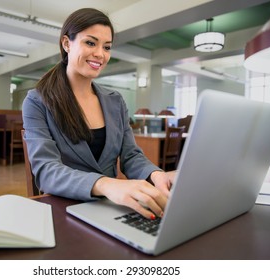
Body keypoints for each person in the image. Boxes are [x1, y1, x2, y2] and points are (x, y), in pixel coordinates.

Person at [22, 8, 176, 220]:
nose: (100, 54)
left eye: (107, 47)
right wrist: (105, 184)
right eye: (90, 43)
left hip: (110, 208)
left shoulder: (115, 101)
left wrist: (156, 174)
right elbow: (46, 170)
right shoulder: (37, 100)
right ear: (67, 43)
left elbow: (131, 156)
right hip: (64, 210)